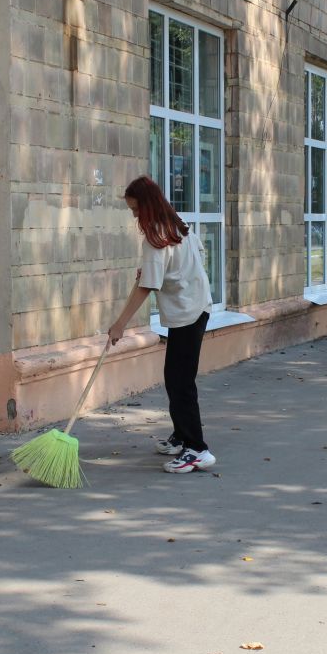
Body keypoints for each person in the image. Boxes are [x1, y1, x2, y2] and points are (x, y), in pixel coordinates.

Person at [108, 176, 217, 474]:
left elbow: (147, 287)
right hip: (197, 307)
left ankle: (197, 449)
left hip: (188, 313)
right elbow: (197, 256)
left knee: (180, 382)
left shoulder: (156, 237)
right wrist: (161, 272)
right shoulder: (176, 224)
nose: (133, 216)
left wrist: (119, 325)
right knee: (175, 377)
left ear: (146, 206)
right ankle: (182, 436)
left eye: (134, 210)